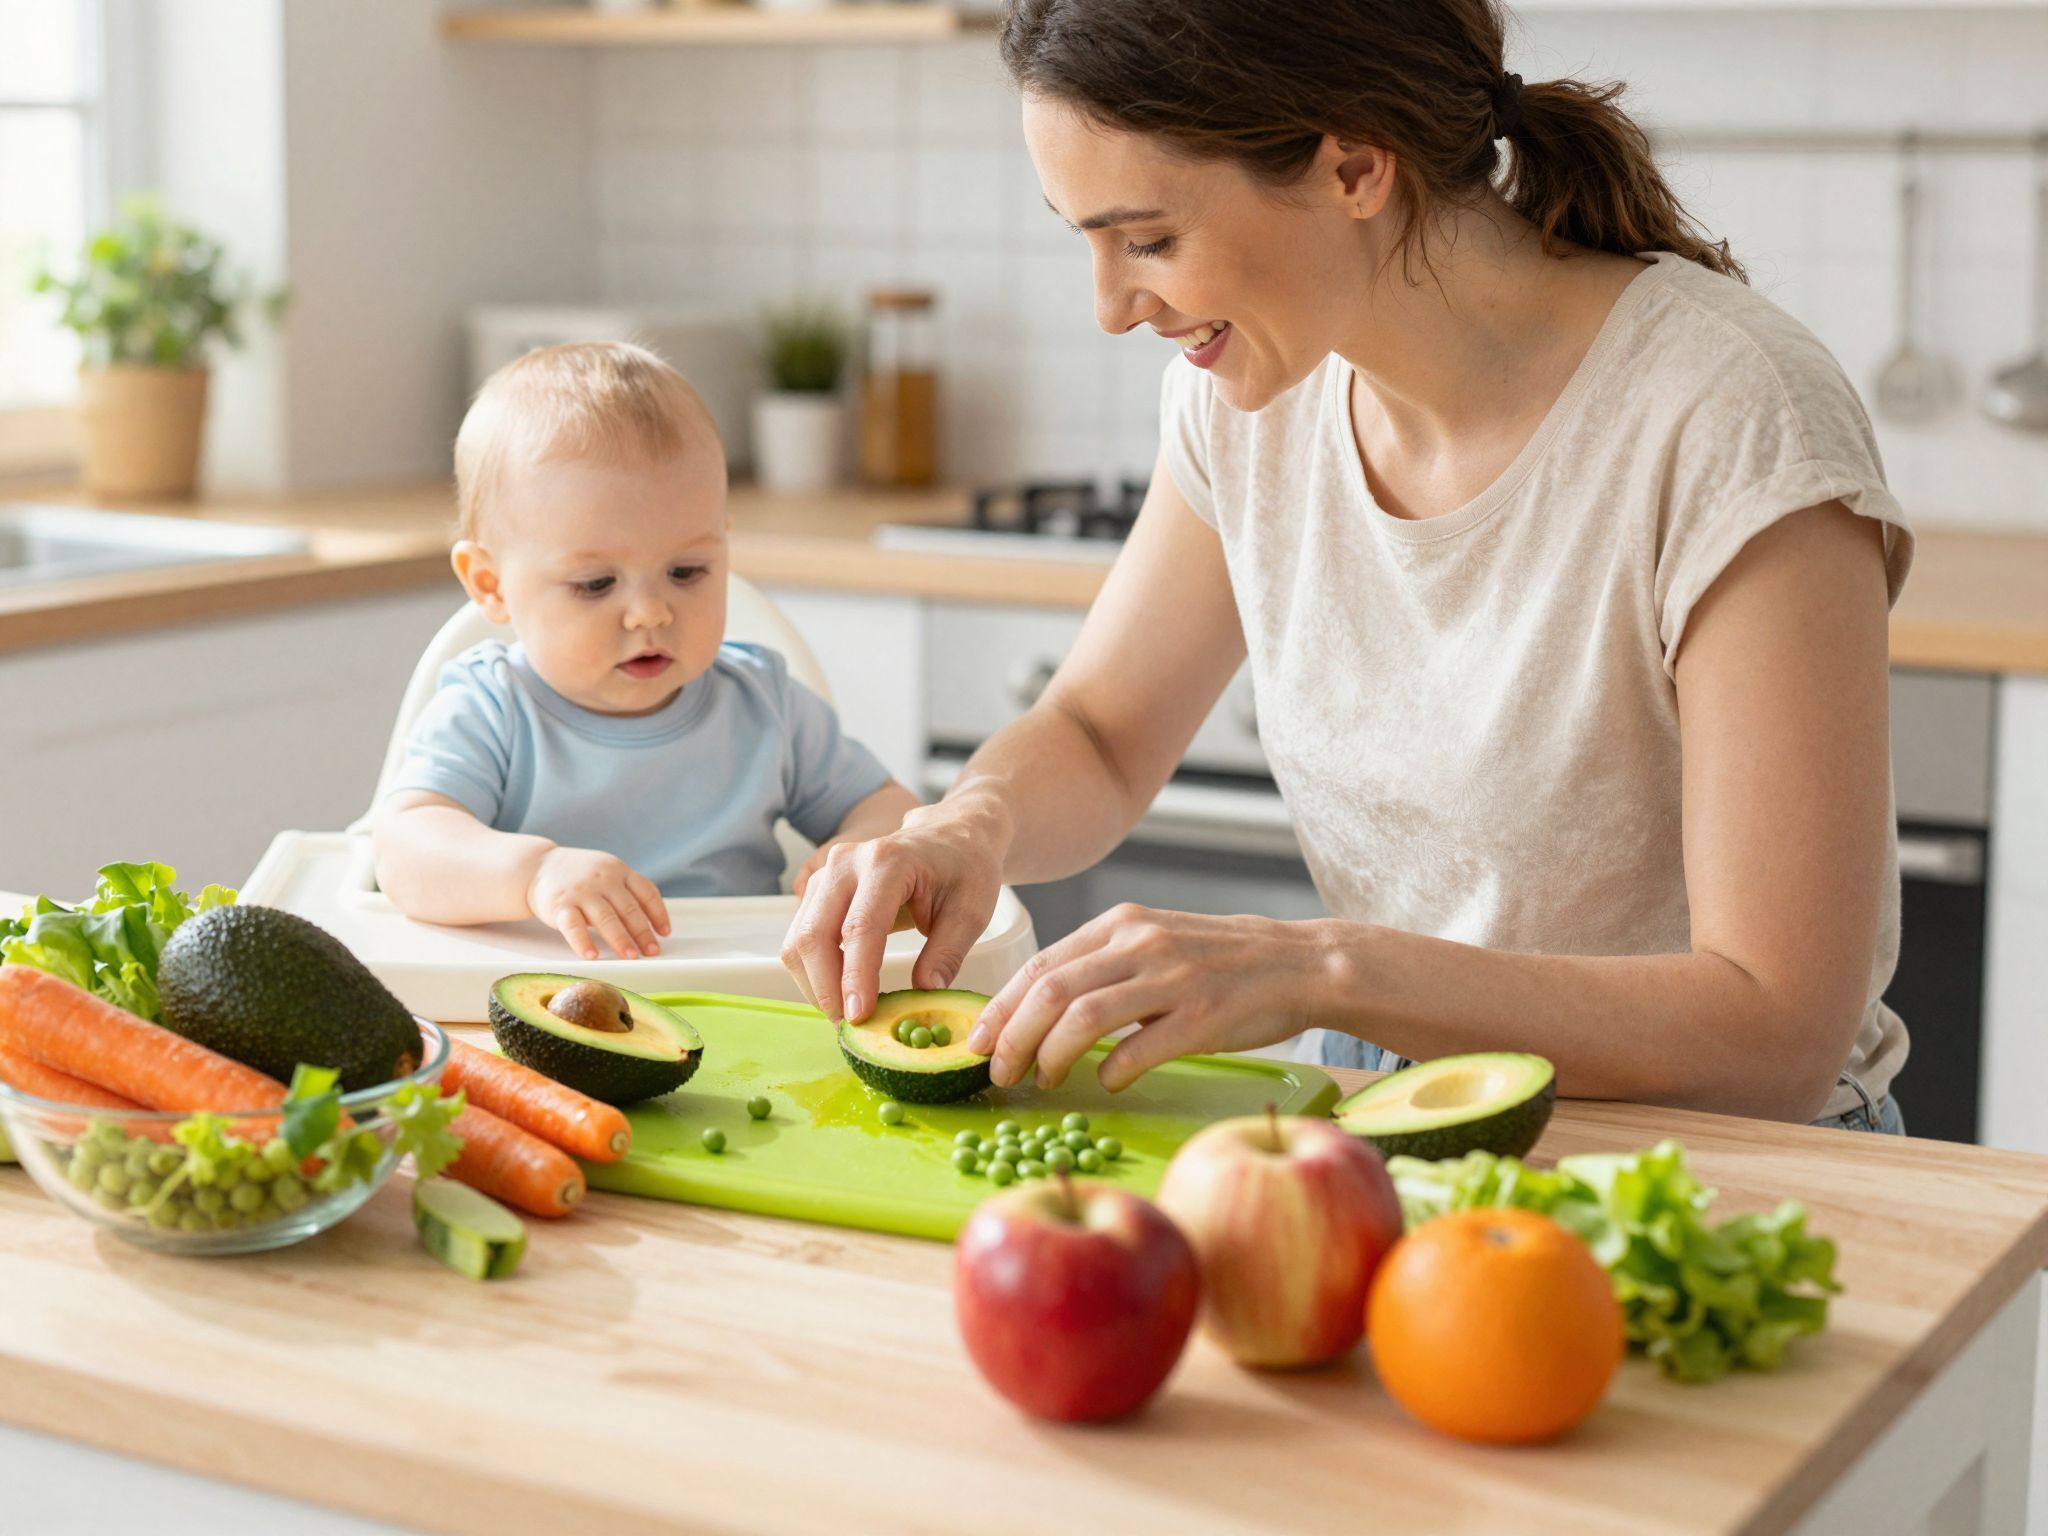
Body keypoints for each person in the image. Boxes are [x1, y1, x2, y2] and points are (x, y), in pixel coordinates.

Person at [782, 0, 1912, 1133]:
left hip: (1727, 1156)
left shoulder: (1726, 415)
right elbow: (1096, 733)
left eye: (1149, 241)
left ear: (1355, 167)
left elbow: (1774, 1033)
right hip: (1388, 1109)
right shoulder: (1251, 399)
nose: (1110, 309)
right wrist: (965, 823)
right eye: (1084, 238)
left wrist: (1316, 971)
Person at [375, 342, 919, 962]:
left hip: (743, 992)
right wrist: (533, 875)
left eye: (687, 570)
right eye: (596, 584)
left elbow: (894, 810)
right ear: (490, 585)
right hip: (547, 1004)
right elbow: (404, 850)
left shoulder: (765, 705)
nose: (651, 612)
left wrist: (856, 854)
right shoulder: (491, 711)